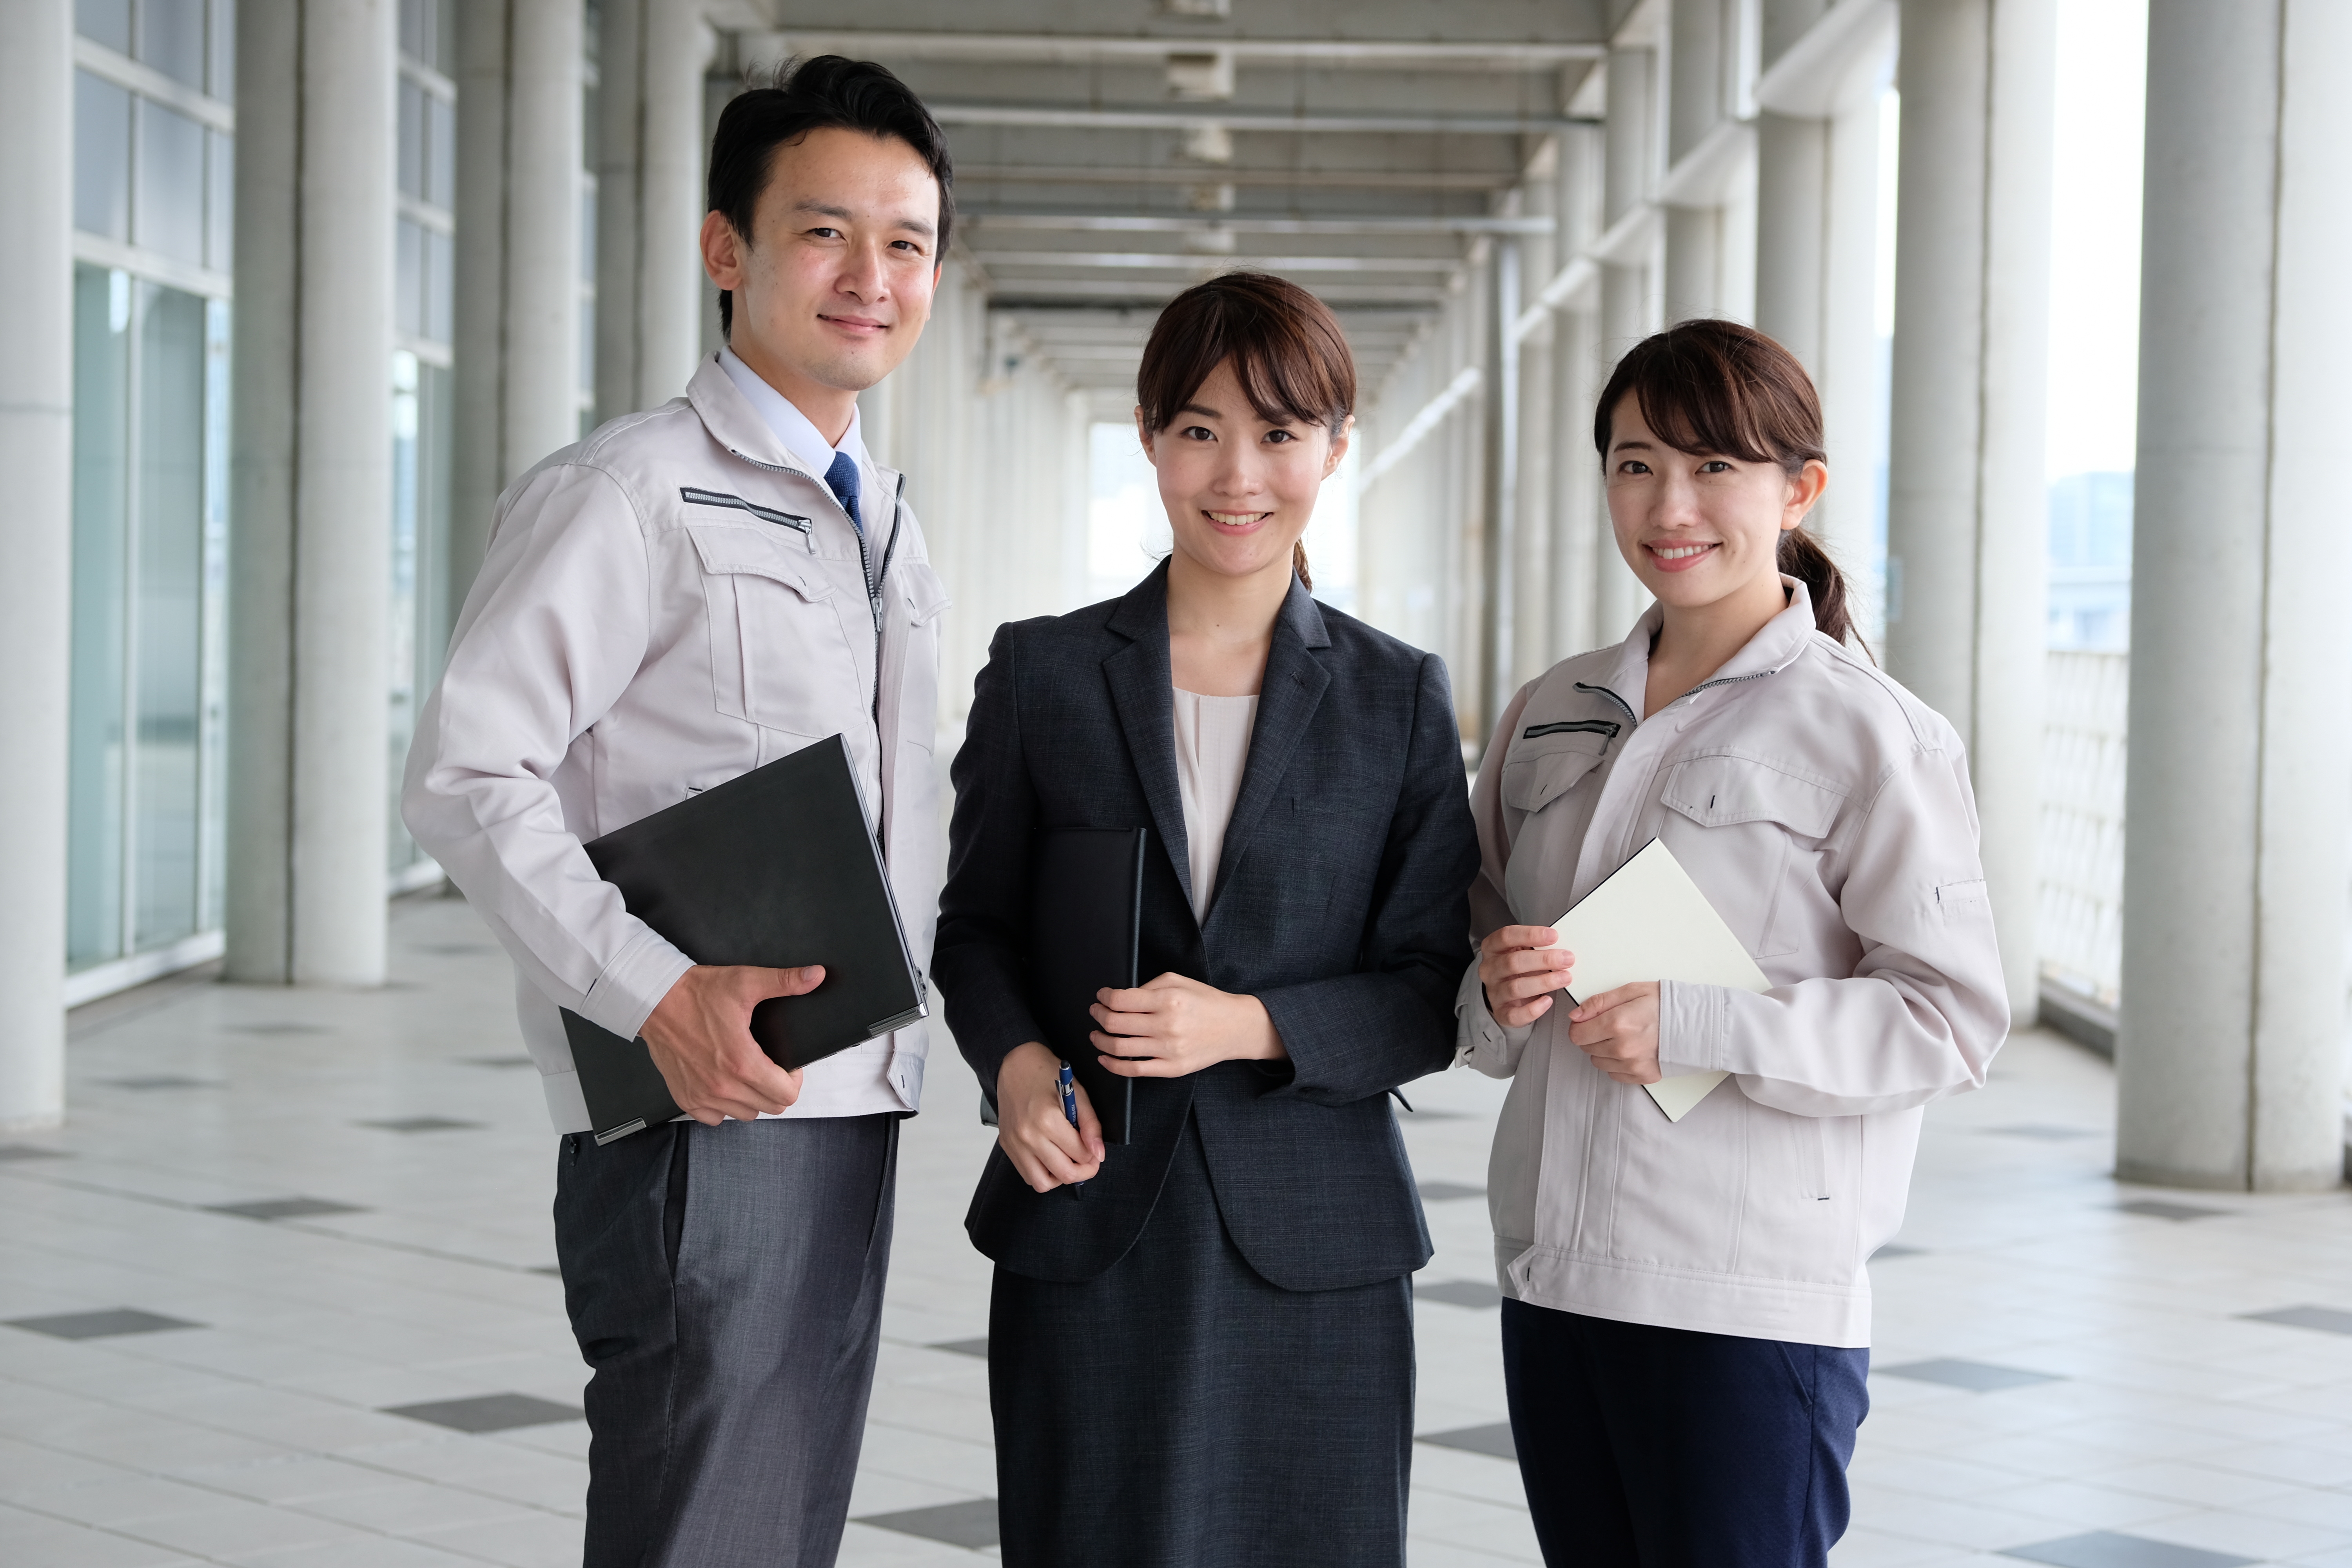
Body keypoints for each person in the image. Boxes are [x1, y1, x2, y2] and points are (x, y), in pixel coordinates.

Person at [401, 57, 954, 1568]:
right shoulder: (628, 494)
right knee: (698, 1532)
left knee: (775, 1533)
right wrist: (653, 996)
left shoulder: (883, 521)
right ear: (729, 250)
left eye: (906, 243)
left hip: (853, 1102)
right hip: (700, 1113)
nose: (871, 277)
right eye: (826, 232)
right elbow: (464, 775)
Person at [931, 272, 1481, 1568]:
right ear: (1148, 437)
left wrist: (1246, 1024)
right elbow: (974, 928)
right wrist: (1013, 1065)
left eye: (1281, 435)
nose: (1239, 475)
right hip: (1090, 1212)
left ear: (1336, 450)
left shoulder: (1397, 697)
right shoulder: (1046, 673)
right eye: (1198, 432)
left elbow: (1425, 992)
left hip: (1316, 1242)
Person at [1460, 319, 2009, 1567]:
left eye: (1716, 466)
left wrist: (1698, 1023)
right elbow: (1481, 938)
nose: (1671, 504)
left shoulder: (1874, 735)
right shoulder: (1550, 711)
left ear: (1797, 488)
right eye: (1637, 463)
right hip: (1554, 1282)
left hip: (1745, 1305)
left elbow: (1952, 1017)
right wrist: (1493, 989)